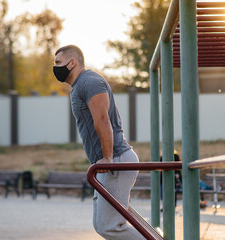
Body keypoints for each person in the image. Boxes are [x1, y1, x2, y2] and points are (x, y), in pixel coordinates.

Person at [53, 45, 145, 240]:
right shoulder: (79, 86)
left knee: (109, 226)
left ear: (72, 63)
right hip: (107, 164)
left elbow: (102, 120)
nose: (55, 68)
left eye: (58, 63)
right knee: (102, 224)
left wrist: (108, 158)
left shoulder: (90, 82)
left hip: (116, 161)